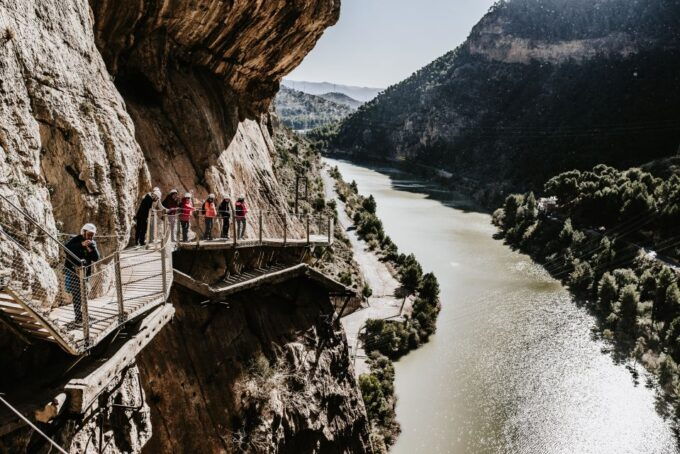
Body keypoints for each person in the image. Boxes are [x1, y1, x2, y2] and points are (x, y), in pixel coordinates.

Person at [64, 223, 100, 327]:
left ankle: (84, 316)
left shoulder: (92, 243)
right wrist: (81, 245)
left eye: (92, 235)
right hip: (74, 272)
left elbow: (96, 258)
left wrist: (93, 248)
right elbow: (66, 248)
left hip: (85, 273)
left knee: (84, 295)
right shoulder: (76, 239)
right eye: (89, 234)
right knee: (77, 295)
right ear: (83, 232)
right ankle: (78, 318)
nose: (91, 237)